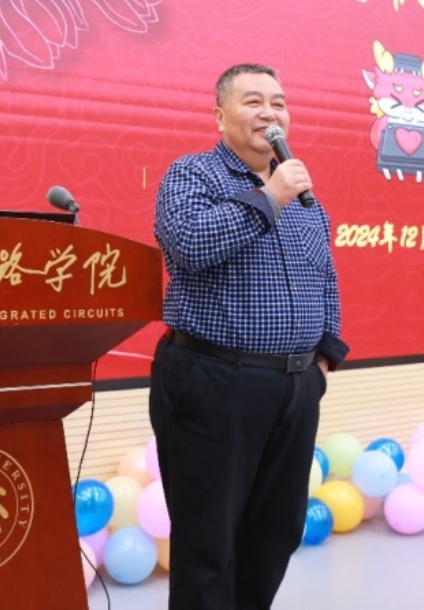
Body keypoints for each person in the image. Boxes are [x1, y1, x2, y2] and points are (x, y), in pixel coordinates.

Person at [150, 63, 349, 610]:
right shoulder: (194, 175)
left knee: (276, 532)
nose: (270, 113)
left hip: (293, 387)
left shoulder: (304, 197)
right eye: (254, 101)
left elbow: (324, 277)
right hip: (214, 382)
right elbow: (191, 245)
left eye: (278, 102)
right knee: (208, 543)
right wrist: (269, 196)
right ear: (221, 117)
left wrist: (322, 362)